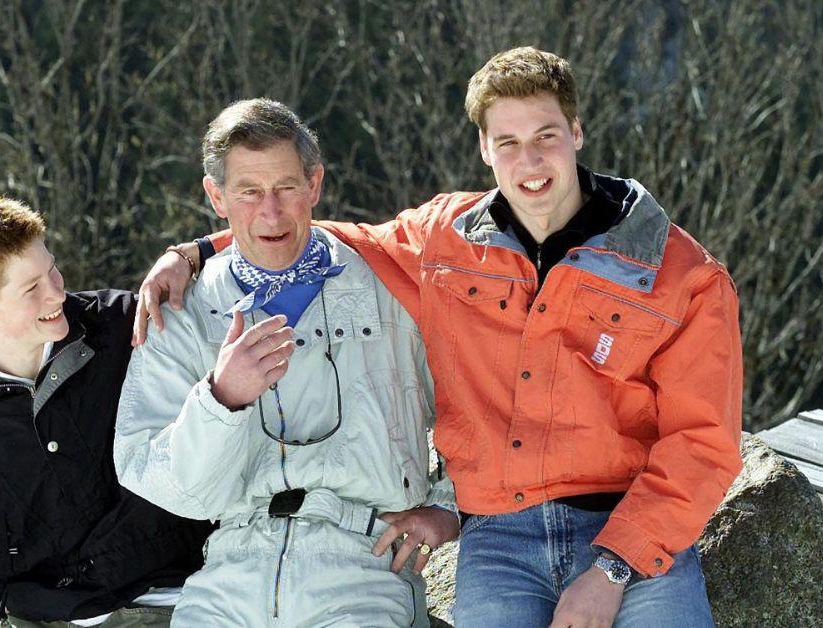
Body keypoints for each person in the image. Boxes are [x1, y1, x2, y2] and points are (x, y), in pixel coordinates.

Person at [137, 47, 743, 628]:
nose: (529, 163)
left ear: (577, 133)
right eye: (507, 142)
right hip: (500, 537)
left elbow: (703, 445)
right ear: (484, 148)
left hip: (629, 528)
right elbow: (305, 231)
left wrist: (611, 571)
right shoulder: (444, 242)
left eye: (545, 137)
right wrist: (192, 252)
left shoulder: (682, 275)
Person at [112, 99, 459, 627]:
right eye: (248, 192)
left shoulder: (392, 284)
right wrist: (220, 399)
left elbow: (482, 399)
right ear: (216, 196)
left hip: (365, 565)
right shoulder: (181, 310)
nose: (270, 213)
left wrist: (449, 507)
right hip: (228, 570)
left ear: (314, 185)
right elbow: (153, 475)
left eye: (286, 189)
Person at [0, 195, 213, 627]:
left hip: (170, 601)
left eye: (51, 269)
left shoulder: (125, 328)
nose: (57, 290)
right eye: (32, 288)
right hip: (42, 619)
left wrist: (195, 254)